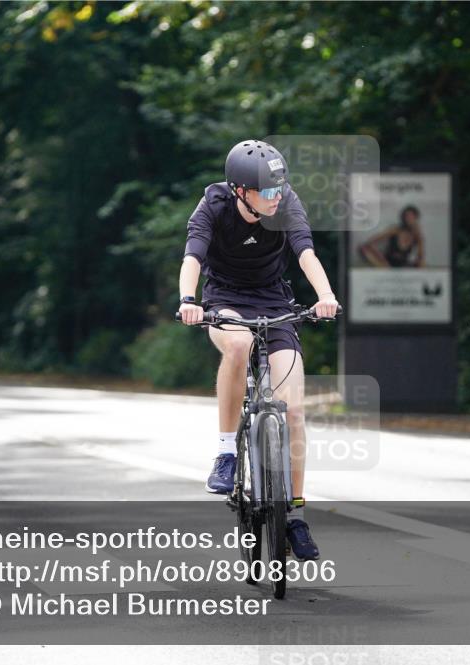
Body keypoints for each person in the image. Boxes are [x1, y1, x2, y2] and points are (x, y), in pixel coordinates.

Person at [177, 139, 339, 561]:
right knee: (238, 344)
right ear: (240, 191)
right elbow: (193, 256)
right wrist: (188, 301)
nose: (276, 196)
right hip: (225, 300)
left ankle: (296, 516)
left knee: (294, 411)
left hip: (274, 302)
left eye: (279, 188)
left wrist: (325, 296)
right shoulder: (213, 205)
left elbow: (305, 252)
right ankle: (226, 452)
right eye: (267, 190)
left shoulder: (286, 203)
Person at [357, 205, 425, 268]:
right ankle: (385, 268)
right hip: (387, 263)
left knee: (422, 264)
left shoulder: (417, 235)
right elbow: (370, 242)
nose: (409, 219)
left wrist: (419, 237)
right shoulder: (395, 230)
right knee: (363, 248)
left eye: (412, 216)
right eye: (407, 216)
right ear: (403, 218)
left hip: (403, 264)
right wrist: (380, 257)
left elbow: (421, 256)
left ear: (416, 218)